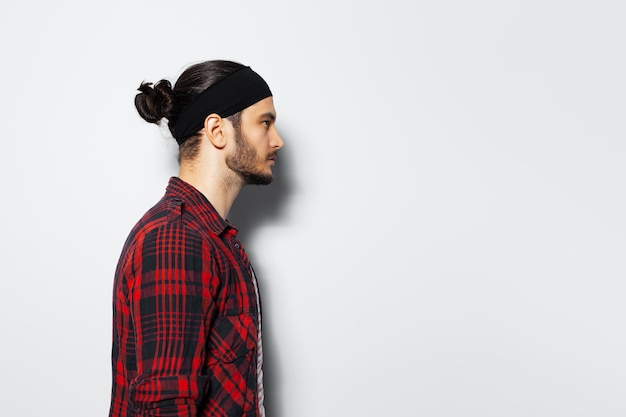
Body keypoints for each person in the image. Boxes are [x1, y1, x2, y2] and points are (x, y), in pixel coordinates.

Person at [109, 59, 283, 417]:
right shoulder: (176, 240)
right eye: (264, 123)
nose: (277, 141)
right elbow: (166, 408)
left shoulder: (212, 238)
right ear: (217, 131)